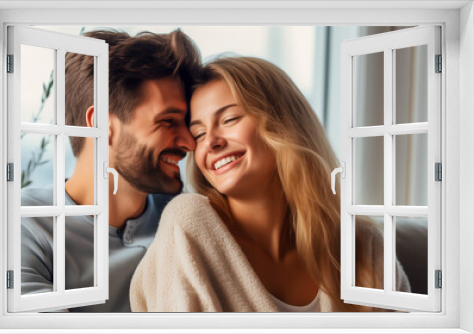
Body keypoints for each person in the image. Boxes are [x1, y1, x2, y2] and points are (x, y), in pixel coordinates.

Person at [129, 56, 410, 312]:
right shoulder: (189, 223)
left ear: (283, 123)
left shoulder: (364, 246)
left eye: (229, 119)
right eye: (199, 134)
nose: (211, 142)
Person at [21, 29, 201, 312]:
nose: (190, 143)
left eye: (188, 123)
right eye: (168, 121)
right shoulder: (24, 224)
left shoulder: (192, 221)